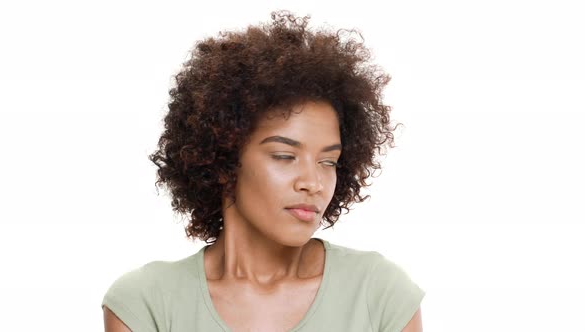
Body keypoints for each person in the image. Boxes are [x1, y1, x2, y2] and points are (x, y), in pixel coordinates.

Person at [101, 10, 425, 332]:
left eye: (328, 162)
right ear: (223, 161)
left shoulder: (379, 294)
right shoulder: (146, 303)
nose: (313, 183)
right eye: (285, 156)